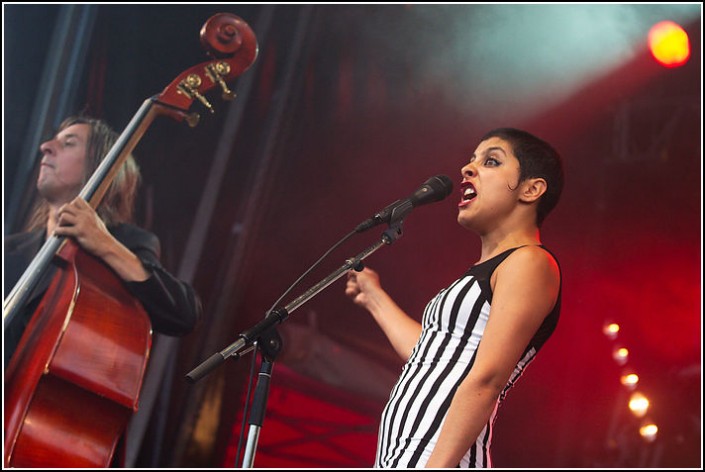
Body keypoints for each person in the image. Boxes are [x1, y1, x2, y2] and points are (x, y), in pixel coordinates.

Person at [345, 128, 564, 468]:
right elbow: (433, 353)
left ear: (531, 189)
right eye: (472, 159)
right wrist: (374, 297)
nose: (467, 168)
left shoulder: (529, 262)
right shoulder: (481, 274)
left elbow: (487, 378)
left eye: (491, 161)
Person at [4, 115, 202, 365]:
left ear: (98, 166)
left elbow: (182, 314)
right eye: (52, 141)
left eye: (68, 143)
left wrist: (103, 243)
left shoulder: (125, 242)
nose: (46, 147)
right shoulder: (8, 250)